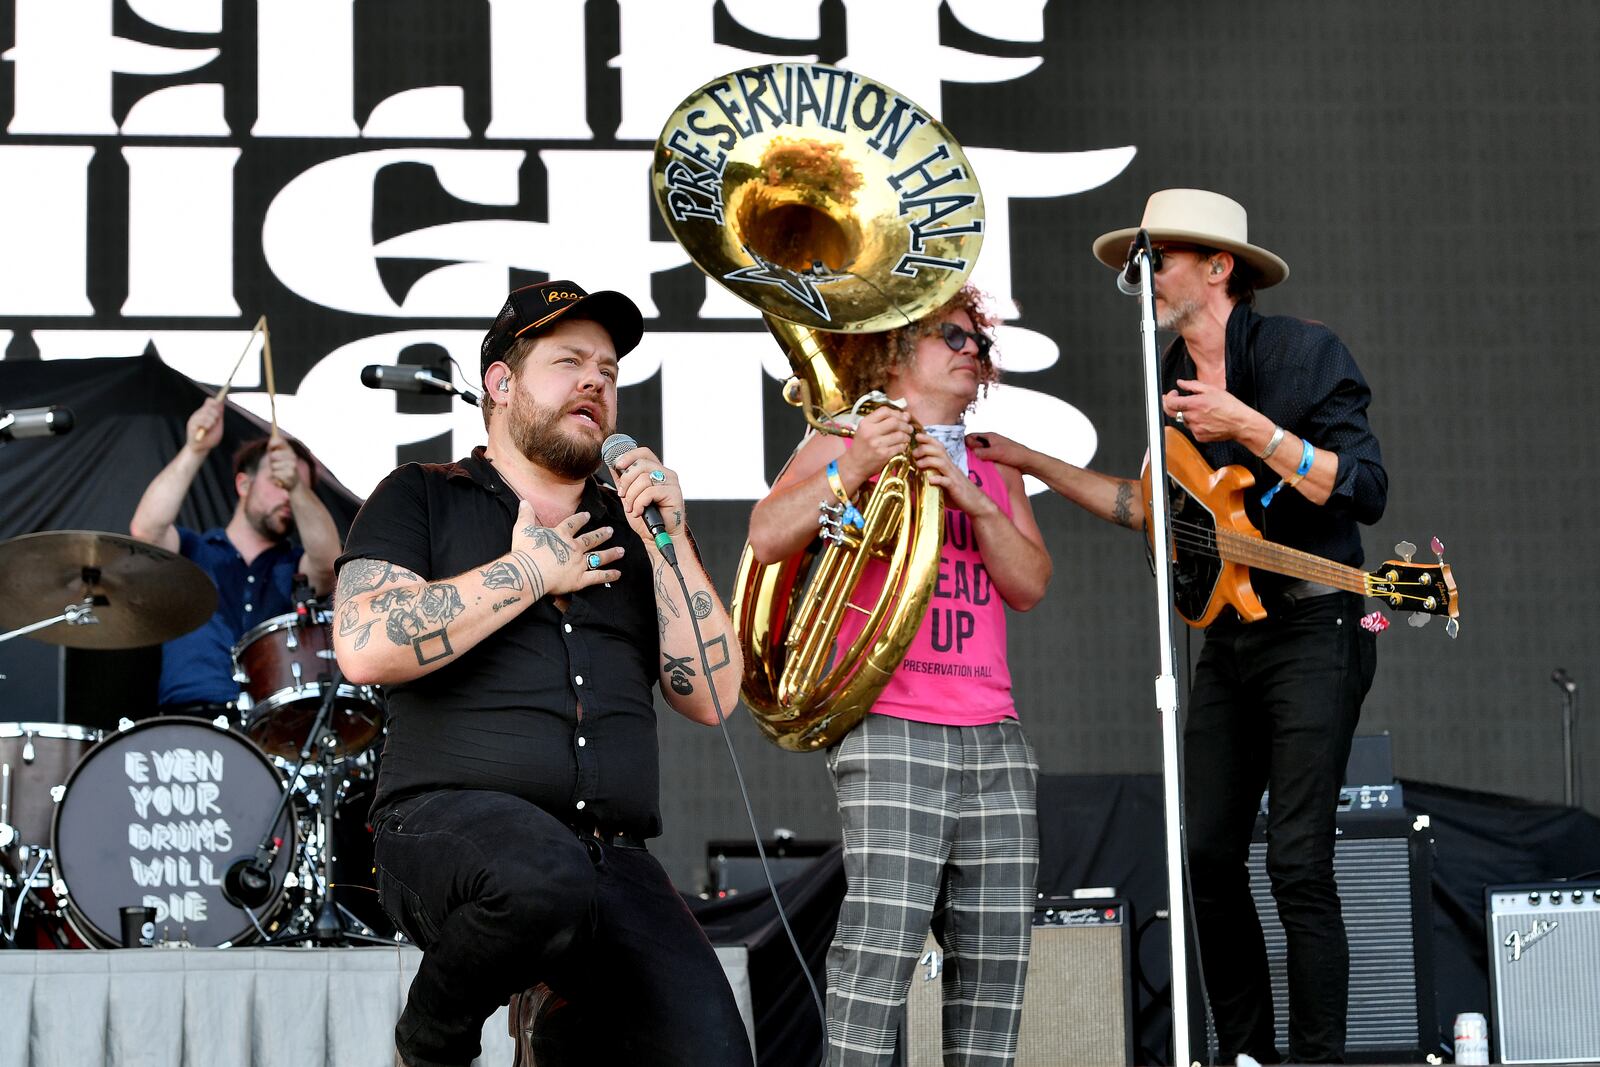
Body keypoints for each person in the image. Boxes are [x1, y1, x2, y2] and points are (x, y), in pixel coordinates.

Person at [970, 188, 1386, 1063]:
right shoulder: (1171, 374)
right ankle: (1244, 1048)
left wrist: (1254, 430)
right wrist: (1031, 461)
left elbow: (1365, 488)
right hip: (1230, 637)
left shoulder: (1305, 354)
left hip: (1315, 625)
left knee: (1299, 860)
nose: (1148, 277)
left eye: (1161, 260)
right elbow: (1151, 508)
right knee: (1205, 849)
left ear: (1218, 266)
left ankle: (1318, 1056)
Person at [331, 280, 753, 1067]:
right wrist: (529, 571)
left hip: (607, 854)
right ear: (501, 383)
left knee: (716, 1054)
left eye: (608, 369)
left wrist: (671, 540)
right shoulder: (422, 496)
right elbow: (362, 644)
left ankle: (560, 1027)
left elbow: (713, 696)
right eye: (568, 362)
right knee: (538, 876)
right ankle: (430, 1044)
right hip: (443, 827)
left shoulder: (633, 530)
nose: (596, 379)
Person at [747, 285, 1052, 1066]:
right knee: (878, 953)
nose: (970, 350)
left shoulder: (991, 463)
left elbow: (1029, 584)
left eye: (979, 341)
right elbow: (769, 533)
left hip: (995, 735)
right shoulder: (851, 432)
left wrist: (976, 503)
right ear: (896, 348)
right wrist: (854, 464)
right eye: (952, 334)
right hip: (893, 724)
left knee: (996, 967)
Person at [130, 402, 342, 716]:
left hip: (272, 729)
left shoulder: (294, 566)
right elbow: (146, 531)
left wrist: (298, 488)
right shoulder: (194, 550)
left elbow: (329, 566)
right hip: (187, 722)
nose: (288, 498)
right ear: (243, 484)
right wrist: (195, 448)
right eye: (279, 483)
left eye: (299, 491)